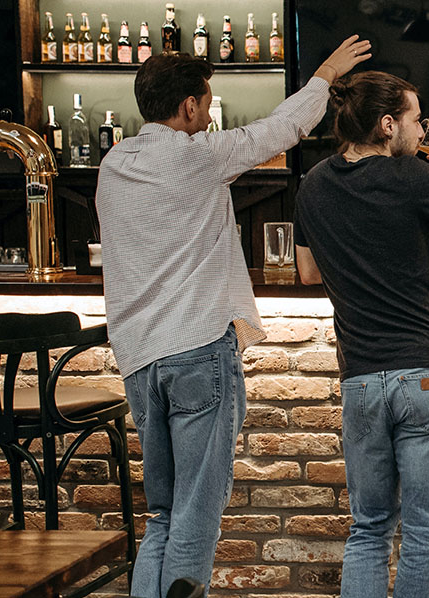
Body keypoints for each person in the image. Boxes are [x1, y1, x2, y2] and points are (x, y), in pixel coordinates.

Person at [94, 38, 369, 598]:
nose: (210, 111)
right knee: (196, 516)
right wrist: (325, 72)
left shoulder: (113, 163)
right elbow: (282, 128)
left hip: (140, 361)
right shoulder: (200, 156)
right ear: (191, 107)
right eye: (208, 101)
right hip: (197, 350)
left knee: (164, 515)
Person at [292, 71, 429, 598]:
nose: (421, 132)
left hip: (361, 380)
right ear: (387, 125)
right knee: (422, 532)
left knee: (368, 529)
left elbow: (306, 272)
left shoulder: (314, 184)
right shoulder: (411, 175)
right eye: (415, 120)